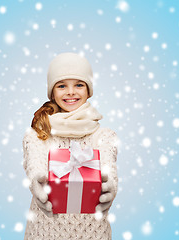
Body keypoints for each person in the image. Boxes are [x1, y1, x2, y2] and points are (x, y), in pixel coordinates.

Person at [22, 52, 118, 239]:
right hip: (44, 233)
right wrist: (36, 180)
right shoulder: (37, 135)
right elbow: (35, 164)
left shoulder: (104, 136)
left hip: (93, 234)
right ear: (52, 92)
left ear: (89, 90)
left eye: (79, 85)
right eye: (62, 85)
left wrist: (111, 185)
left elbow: (109, 168)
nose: (71, 92)